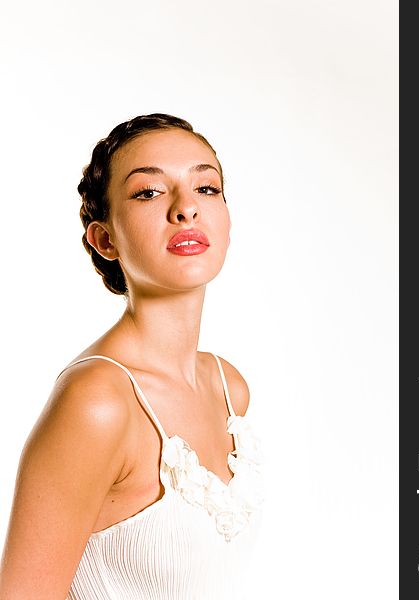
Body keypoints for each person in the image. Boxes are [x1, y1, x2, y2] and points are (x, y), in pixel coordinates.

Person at [0, 113, 264, 600]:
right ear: (105, 239)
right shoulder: (97, 401)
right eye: (148, 192)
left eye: (206, 188)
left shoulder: (228, 387)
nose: (186, 209)